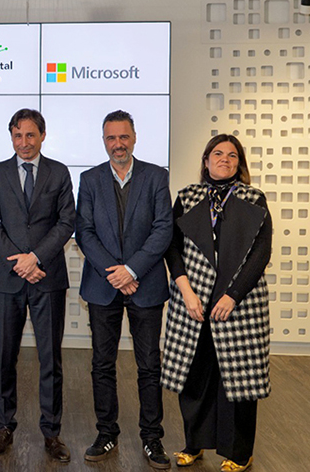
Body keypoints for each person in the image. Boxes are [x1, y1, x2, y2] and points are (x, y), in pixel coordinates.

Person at [162, 134, 272, 472]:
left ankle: (240, 453)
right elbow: (172, 247)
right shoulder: (187, 197)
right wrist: (187, 292)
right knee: (194, 378)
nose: (224, 159)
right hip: (193, 304)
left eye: (232, 155)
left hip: (239, 305)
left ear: (240, 164)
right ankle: (193, 444)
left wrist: (232, 296)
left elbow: (260, 253)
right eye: (217, 153)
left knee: (238, 383)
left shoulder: (254, 199)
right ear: (206, 160)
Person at [74, 110, 173, 469]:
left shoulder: (156, 177)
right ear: (104, 141)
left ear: (134, 137)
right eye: (111, 138)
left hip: (145, 285)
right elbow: (84, 231)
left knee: (149, 366)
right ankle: (106, 434)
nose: (118, 144)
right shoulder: (89, 179)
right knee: (102, 364)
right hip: (103, 287)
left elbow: (163, 229)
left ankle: (152, 438)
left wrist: (132, 269)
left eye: (124, 137)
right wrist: (114, 272)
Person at [0, 108, 76, 463]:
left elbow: (67, 222)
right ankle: (5, 426)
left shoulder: (59, 172)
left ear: (43, 136)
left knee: (50, 358)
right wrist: (20, 262)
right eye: (18, 135)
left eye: (30, 135)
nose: (24, 142)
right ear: (11, 137)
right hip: (7, 280)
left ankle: (52, 432)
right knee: (5, 356)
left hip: (48, 277)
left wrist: (35, 258)